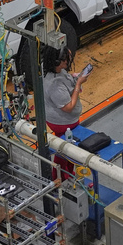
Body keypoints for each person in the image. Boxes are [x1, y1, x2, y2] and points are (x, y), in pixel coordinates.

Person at [43, 44, 93, 179]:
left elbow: (65, 79)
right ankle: (58, 178)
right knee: (64, 150)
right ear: (58, 62)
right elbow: (68, 107)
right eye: (66, 59)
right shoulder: (54, 85)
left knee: (67, 149)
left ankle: (68, 174)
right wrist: (78, 84)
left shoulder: (56, 71)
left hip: (63, 121)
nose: (68, 60)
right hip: (62, 122)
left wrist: (74, 77)